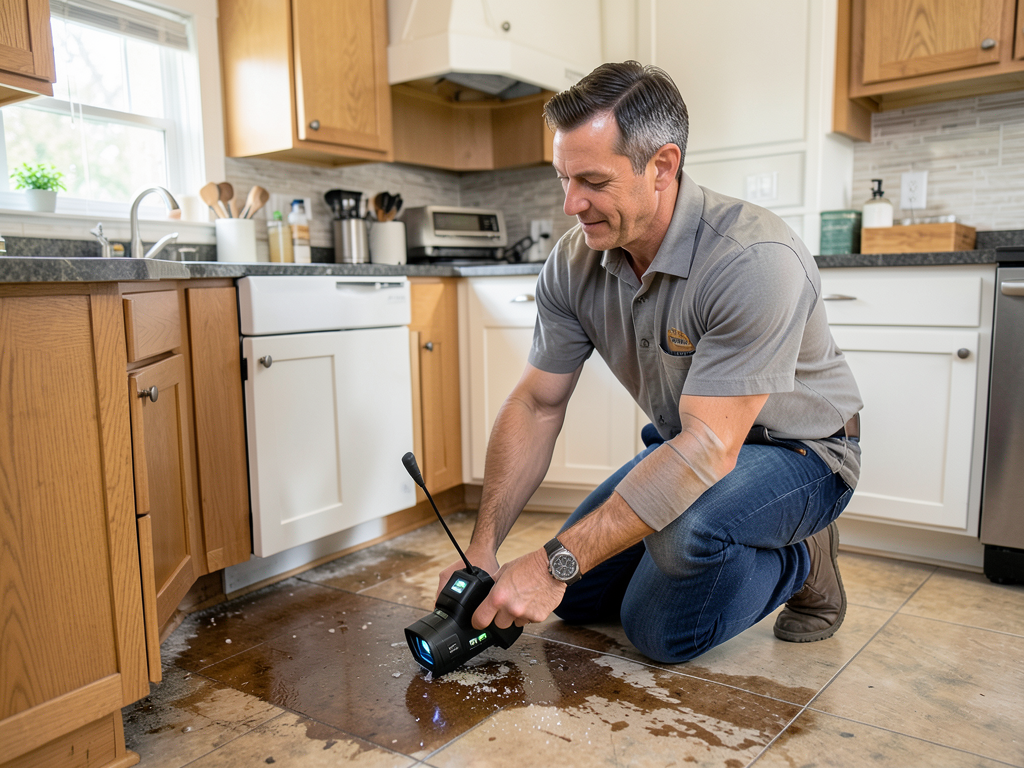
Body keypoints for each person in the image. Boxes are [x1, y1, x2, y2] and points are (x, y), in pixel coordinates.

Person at [437, 61, 863, 663]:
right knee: (577, 602)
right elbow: (537, 404)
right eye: (563, 178)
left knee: (662, 620)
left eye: (591, 180)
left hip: (803, 451)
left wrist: (556, 562)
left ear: (661, 167)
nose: (570, 203)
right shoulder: (573, 263)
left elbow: (711, 447)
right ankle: (699, 540)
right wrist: (483, 547)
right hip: (689, 441)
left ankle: (804, 556)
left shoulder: (753, 257)